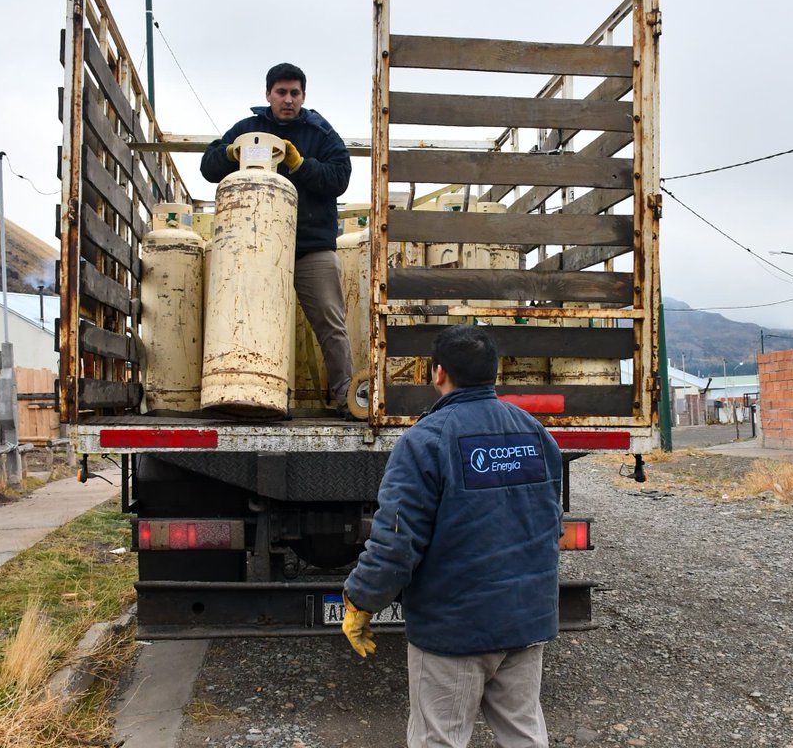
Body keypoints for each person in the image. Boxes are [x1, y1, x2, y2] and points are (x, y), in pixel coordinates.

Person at [341, 325, 564, 747]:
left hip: (455, 629)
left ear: (437, 372)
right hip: (527, 621)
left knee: (438, 739)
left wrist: (360, 601)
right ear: (493, 373)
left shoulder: (425, 441)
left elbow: (396, 540)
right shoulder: (535, 434)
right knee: (524, 734)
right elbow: (549, 522)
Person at [201, 62, 356, 417]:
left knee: (331, 322)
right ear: (267, 94)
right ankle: (250, 393)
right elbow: (208, 167)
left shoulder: (320, 132)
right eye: (281, 93)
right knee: (249, 319)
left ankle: (346, 395)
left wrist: (301, 164)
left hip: (310, 248)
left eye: (295, 93)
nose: (288, 100)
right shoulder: (248, 130)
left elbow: (340, 177)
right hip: (257, 251)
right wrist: (229, 153)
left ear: (304, 95)